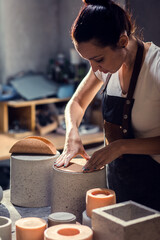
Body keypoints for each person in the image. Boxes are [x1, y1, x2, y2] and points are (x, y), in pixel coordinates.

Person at [55, 0, 160, 211]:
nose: (95, 69)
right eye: (89, 62)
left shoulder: (156, 67)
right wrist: (72, 133)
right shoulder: (105, 68)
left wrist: (120, 146)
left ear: (122, 41)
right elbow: (76, 103)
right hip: (119, 187)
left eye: (98, 59)